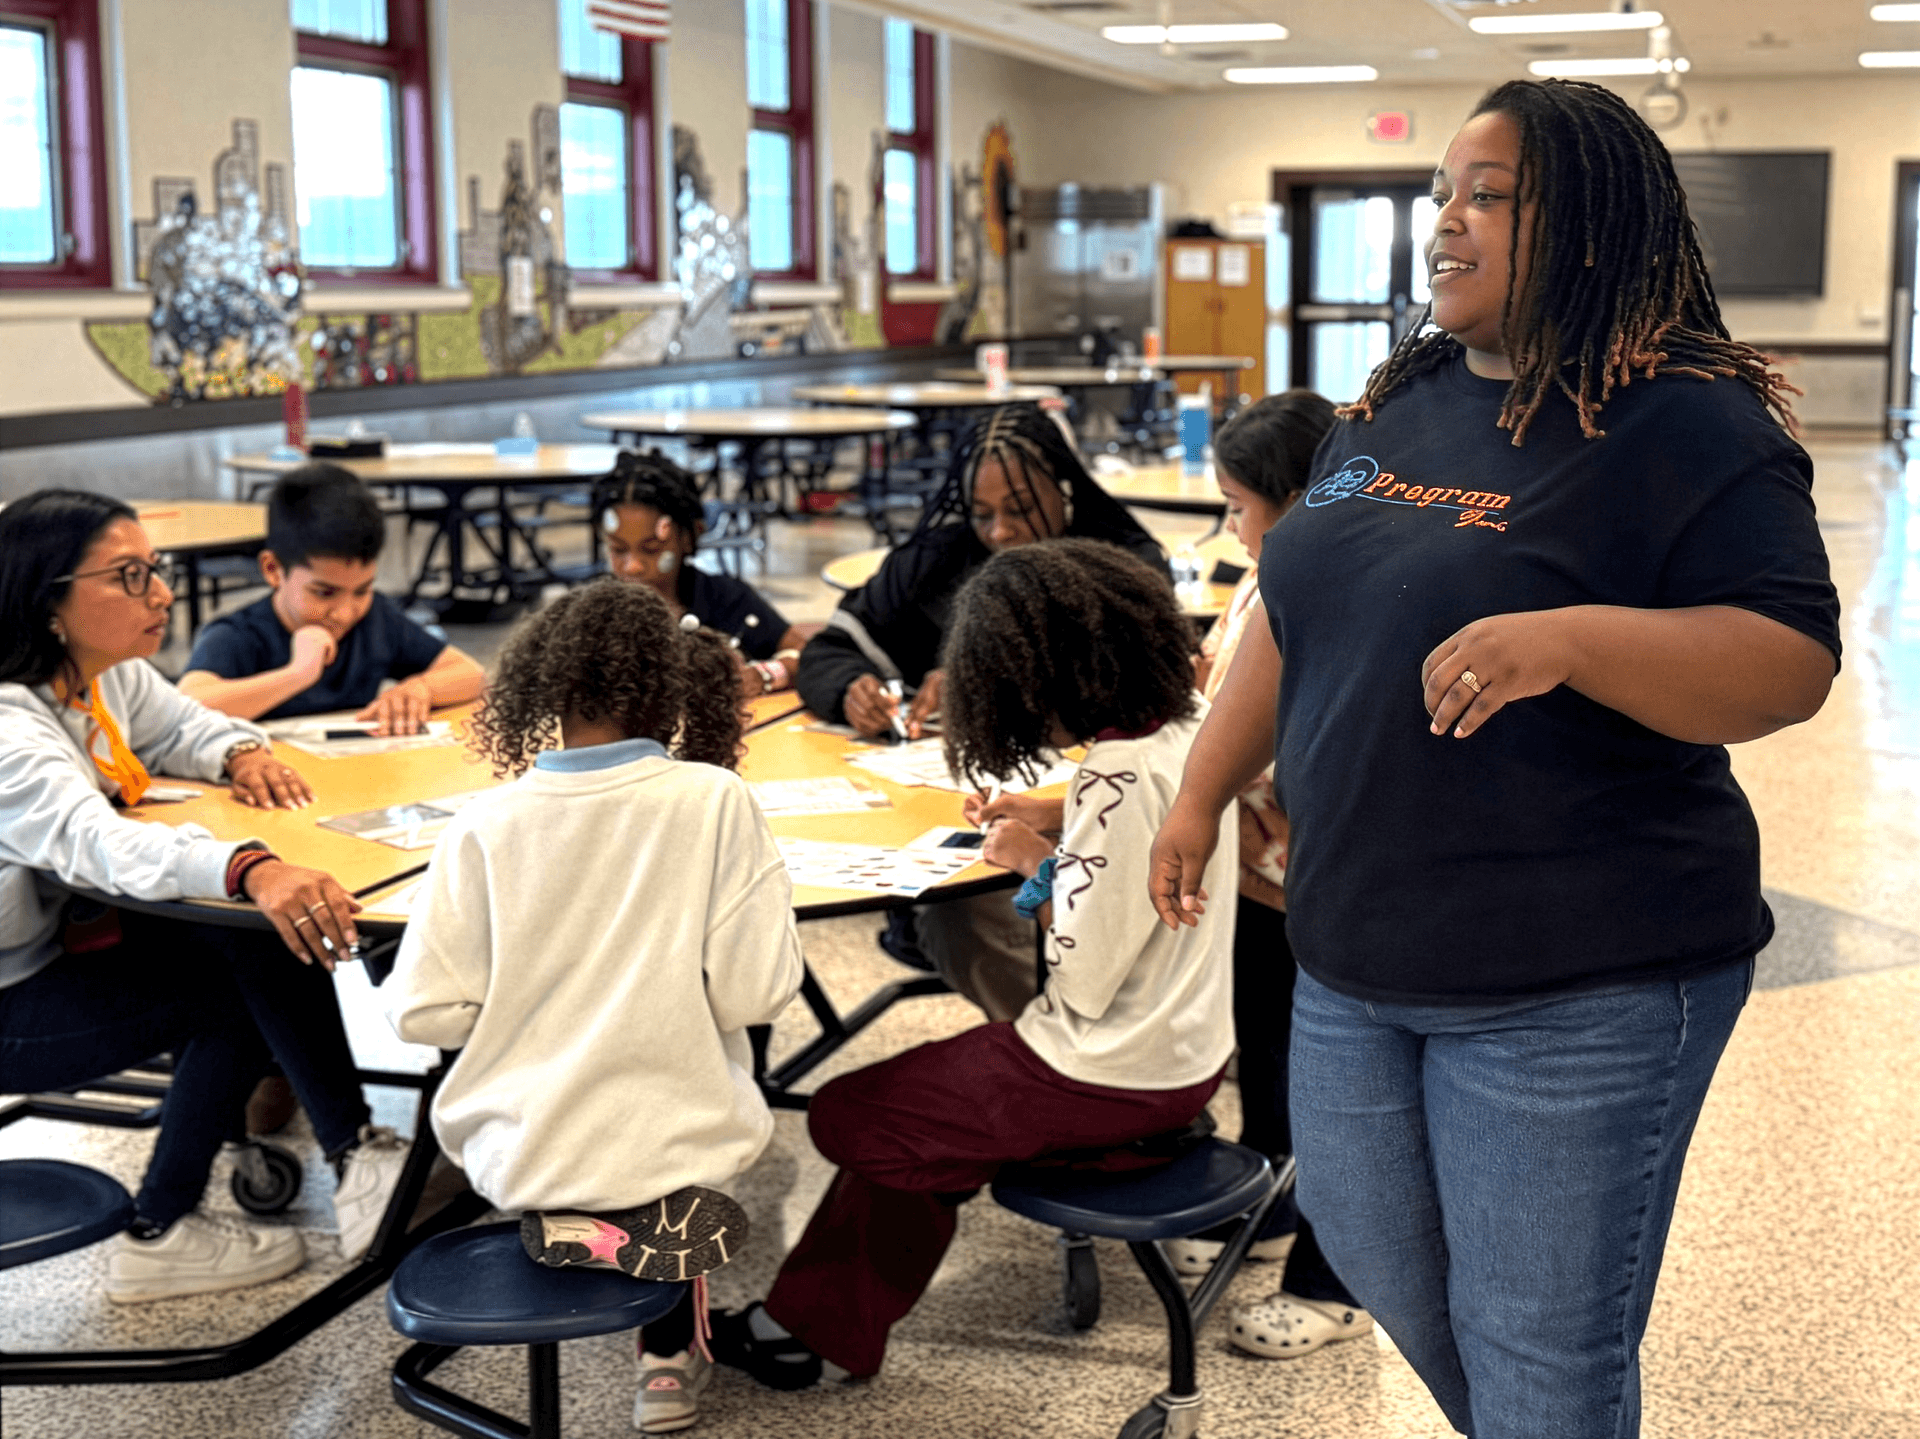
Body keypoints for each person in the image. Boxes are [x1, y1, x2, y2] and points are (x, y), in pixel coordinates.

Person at [1147, 80, 1840, 1438]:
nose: (1446, 222)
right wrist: (1198, 788)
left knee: (1539, 1348)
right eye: (1441, 195)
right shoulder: (1398, 398)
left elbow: (1789, 661)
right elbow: (1291, 612)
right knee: (1410, 1279)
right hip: (1355, 952)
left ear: (1584, 226)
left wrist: (1575, 639)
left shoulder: (1685, 417)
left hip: (1580, 971)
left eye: (1490, 195)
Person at [713, 539, 1237, 1391]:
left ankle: (809, 1318)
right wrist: (1053, 809)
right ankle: (798, 1327)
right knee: (921, 1140)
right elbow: (1135, 834)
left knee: (850, 1115)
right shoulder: (1187, 729)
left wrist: (1037, 860)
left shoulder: (1112, 775)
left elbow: (1086, 967)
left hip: (1101, 1065)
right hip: (1185, 1050)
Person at [382, 578, 804, 1436]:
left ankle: (578, 1219)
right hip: (677, 1146)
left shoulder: (484, 823)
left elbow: (419, 1011)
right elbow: (758, 992)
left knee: (575, 1123)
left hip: (523, 1153)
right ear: (672, 687)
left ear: (541, 690)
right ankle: (666, 1352)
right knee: (676, 1125)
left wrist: (529, 1006)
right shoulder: (713, 801)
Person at [0, 490, 413, 1302]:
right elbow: (99, 841)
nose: (162, 593)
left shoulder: (100, 678)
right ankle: (160, 1233)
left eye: (155, 570)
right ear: (49, 600)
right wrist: (247, 865)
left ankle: (357, 1153)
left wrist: (238, 754)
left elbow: (186, 724)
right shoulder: (11, 727)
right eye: (129, 576)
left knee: (253, 941)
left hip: (62, 943)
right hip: (13, 998)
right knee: (234, 983)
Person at [794, 403, 1171, 1021]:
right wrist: (851, 688)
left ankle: (1084, 1041)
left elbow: (1137, 695)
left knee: (981, 910)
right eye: (983, 514)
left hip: (1096, 800)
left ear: (1064, 489)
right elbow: (830, 647)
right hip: (954, 799)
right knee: (957, 909)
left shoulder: (1118, 566)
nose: (998, 532)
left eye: (1020, 510)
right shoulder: (936, 561)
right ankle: (1041, 1038)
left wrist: (984, 684)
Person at [179, 462, 484, 733]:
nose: (344, 612)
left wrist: (421, 688)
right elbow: (188, 707)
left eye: (362, 590)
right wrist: (297, 674)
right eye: (324, 592)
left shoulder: (375, 618)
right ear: (273, 570)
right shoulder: (237, 635)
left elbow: (472, 674)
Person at [596, 449, 812, 695]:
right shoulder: (595, 612)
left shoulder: (723, 597)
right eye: (618, 549)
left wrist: (762, 675)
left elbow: (806, 653)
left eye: (651, 549)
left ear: (689, 537)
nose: (632, 566)